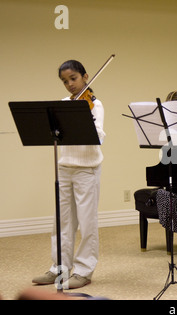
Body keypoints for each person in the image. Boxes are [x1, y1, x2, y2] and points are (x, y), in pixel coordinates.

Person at [32, 60, 106, 289]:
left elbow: (99, 136)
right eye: (65, 81)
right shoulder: (63, 105)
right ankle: (60, 267)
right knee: (62, 221)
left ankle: (83, 271)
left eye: (73, 78)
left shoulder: (95, 105)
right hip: (64, 167)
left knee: (86, 222)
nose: (70, 84)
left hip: (87, 169)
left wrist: (88, 116)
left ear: (85, 76)